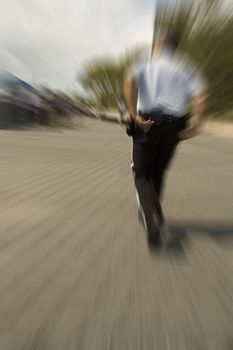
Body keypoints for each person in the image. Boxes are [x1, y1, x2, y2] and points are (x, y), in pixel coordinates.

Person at [124, 29, 208, 248]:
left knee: (142, 173)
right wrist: (196, 125)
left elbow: (129, 80)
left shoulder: (146, 64)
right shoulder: (185, 66)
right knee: (159, 171)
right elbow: (203, 94)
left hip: (147, 123)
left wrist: (134, 114)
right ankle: (155, 210)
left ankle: (150, 215)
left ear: (158, 45)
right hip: (175, 126)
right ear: (174, 47)